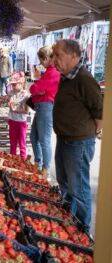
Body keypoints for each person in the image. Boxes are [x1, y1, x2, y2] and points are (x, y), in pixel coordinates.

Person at [52, 39, 103, 229]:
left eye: (59, 55)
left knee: (78, 188)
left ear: (74, 55)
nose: (54, 59)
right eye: (54, 55)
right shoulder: (66, 78)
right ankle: (68, 221)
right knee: (64, 182)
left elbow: (100, 111)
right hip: (64, 139)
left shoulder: (84, 79)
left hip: (78, 142)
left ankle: (82, 231)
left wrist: (89, 132)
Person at [29, 46, 60, 175]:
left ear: (46, 58)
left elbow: (36, 88)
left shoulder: (53, 72)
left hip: (46, 107)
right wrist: (36, 84)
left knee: (44, 139)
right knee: (34, 136)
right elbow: (37, 79)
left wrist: (34, 87)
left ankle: (45, 169)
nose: (40, 63)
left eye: (41, 60)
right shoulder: (47, 70)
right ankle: (38, 163)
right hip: (41, 107)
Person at [7, 72, 29, 159]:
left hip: (21, 123)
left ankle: (23, 161)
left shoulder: (26, 95)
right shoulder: (11, 93)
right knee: (12, 143)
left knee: (22, 144)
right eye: (12, 85)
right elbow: (7, 100)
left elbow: (26, 111)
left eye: (14, 84)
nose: (12, 86)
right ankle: (12, 161)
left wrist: (15, 110)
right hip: (12, 121)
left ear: (21, 83)